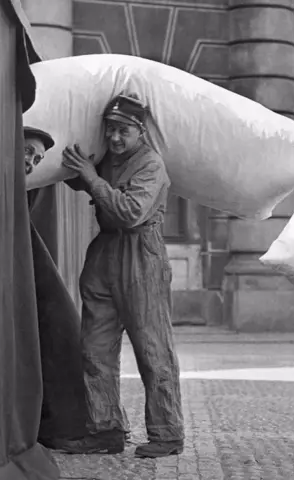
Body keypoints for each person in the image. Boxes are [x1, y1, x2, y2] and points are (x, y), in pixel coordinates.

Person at [56, 94, 185, 458]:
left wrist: (92, 179)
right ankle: (105, 430)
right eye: (110, 129)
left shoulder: (151, 164)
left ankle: (167, 433)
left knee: (152, 348)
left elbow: (131, 213)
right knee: (94, 350)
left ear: (141, 132)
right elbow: (76, 176)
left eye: (123, 130)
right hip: (104, 255)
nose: (114, 137)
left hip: (141, 256)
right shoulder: (106, 160)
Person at [23, 126, 92, 449]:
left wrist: (87, 176)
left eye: (36, 158)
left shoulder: (31, 186)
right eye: (27, 152)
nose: (30, 162)